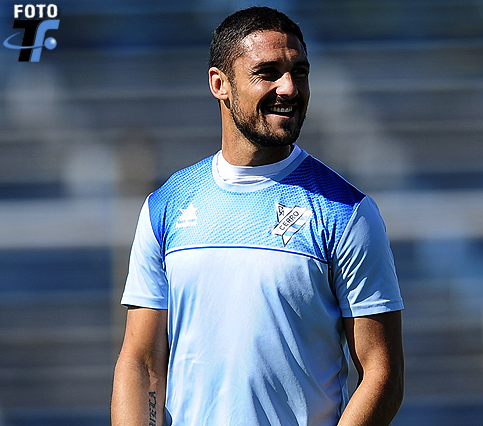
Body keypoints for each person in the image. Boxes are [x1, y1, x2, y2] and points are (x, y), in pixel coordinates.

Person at [111, 6, 404, 426]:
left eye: (299, 72)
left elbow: (381, 373)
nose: (290, 87)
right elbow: (141, 362)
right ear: (220, 85)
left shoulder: (347, 212)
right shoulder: (167, 204)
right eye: (267, 73)